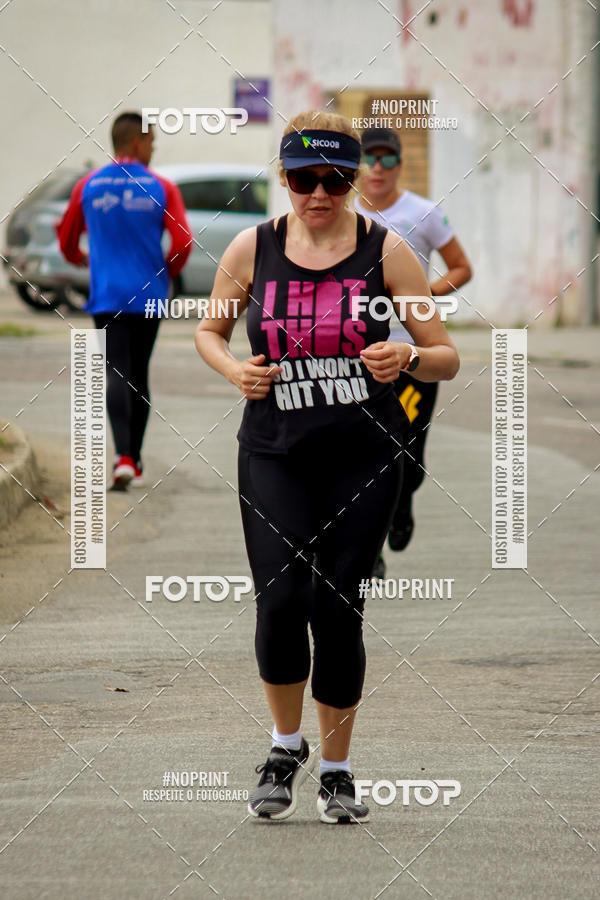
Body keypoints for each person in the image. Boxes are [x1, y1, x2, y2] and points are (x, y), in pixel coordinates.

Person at [195, 111, 459, 824]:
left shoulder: (389, 251)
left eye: (336, 179)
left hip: (366, 454)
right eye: (305, 179)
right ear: (283, 178)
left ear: (351, 182)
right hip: (274, 451)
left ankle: (338, 770)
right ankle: (285, 747)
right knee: (281, 601)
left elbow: (447, 354)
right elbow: (209, 329)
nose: (320, 192)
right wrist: (232, 370)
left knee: (338, 608)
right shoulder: (253, 247)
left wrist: (407, 355)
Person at [355, 127, 472, 577]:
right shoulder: (345, 216)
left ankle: (402, 501)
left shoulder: (423, 214)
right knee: (368, 451)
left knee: (409, 454)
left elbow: (461, 266)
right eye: (370, 158)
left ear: (400, 165)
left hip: (413, 353)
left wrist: (422, 297)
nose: (378, 168)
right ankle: (372, 548)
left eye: (387, 159)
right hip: (361, 354)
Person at [57, 111, 192, 489]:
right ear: (138, 142)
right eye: (152, 142)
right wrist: (167, 270)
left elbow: (67, 240)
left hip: (107, 296)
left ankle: (123, 459)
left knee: (117, 370)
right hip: (149, 295)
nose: (153, 149)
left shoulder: (88, 185)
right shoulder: (163, 187)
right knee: (140, 372)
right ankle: (133, 456)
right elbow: (183, 242)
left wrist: (81, 260)